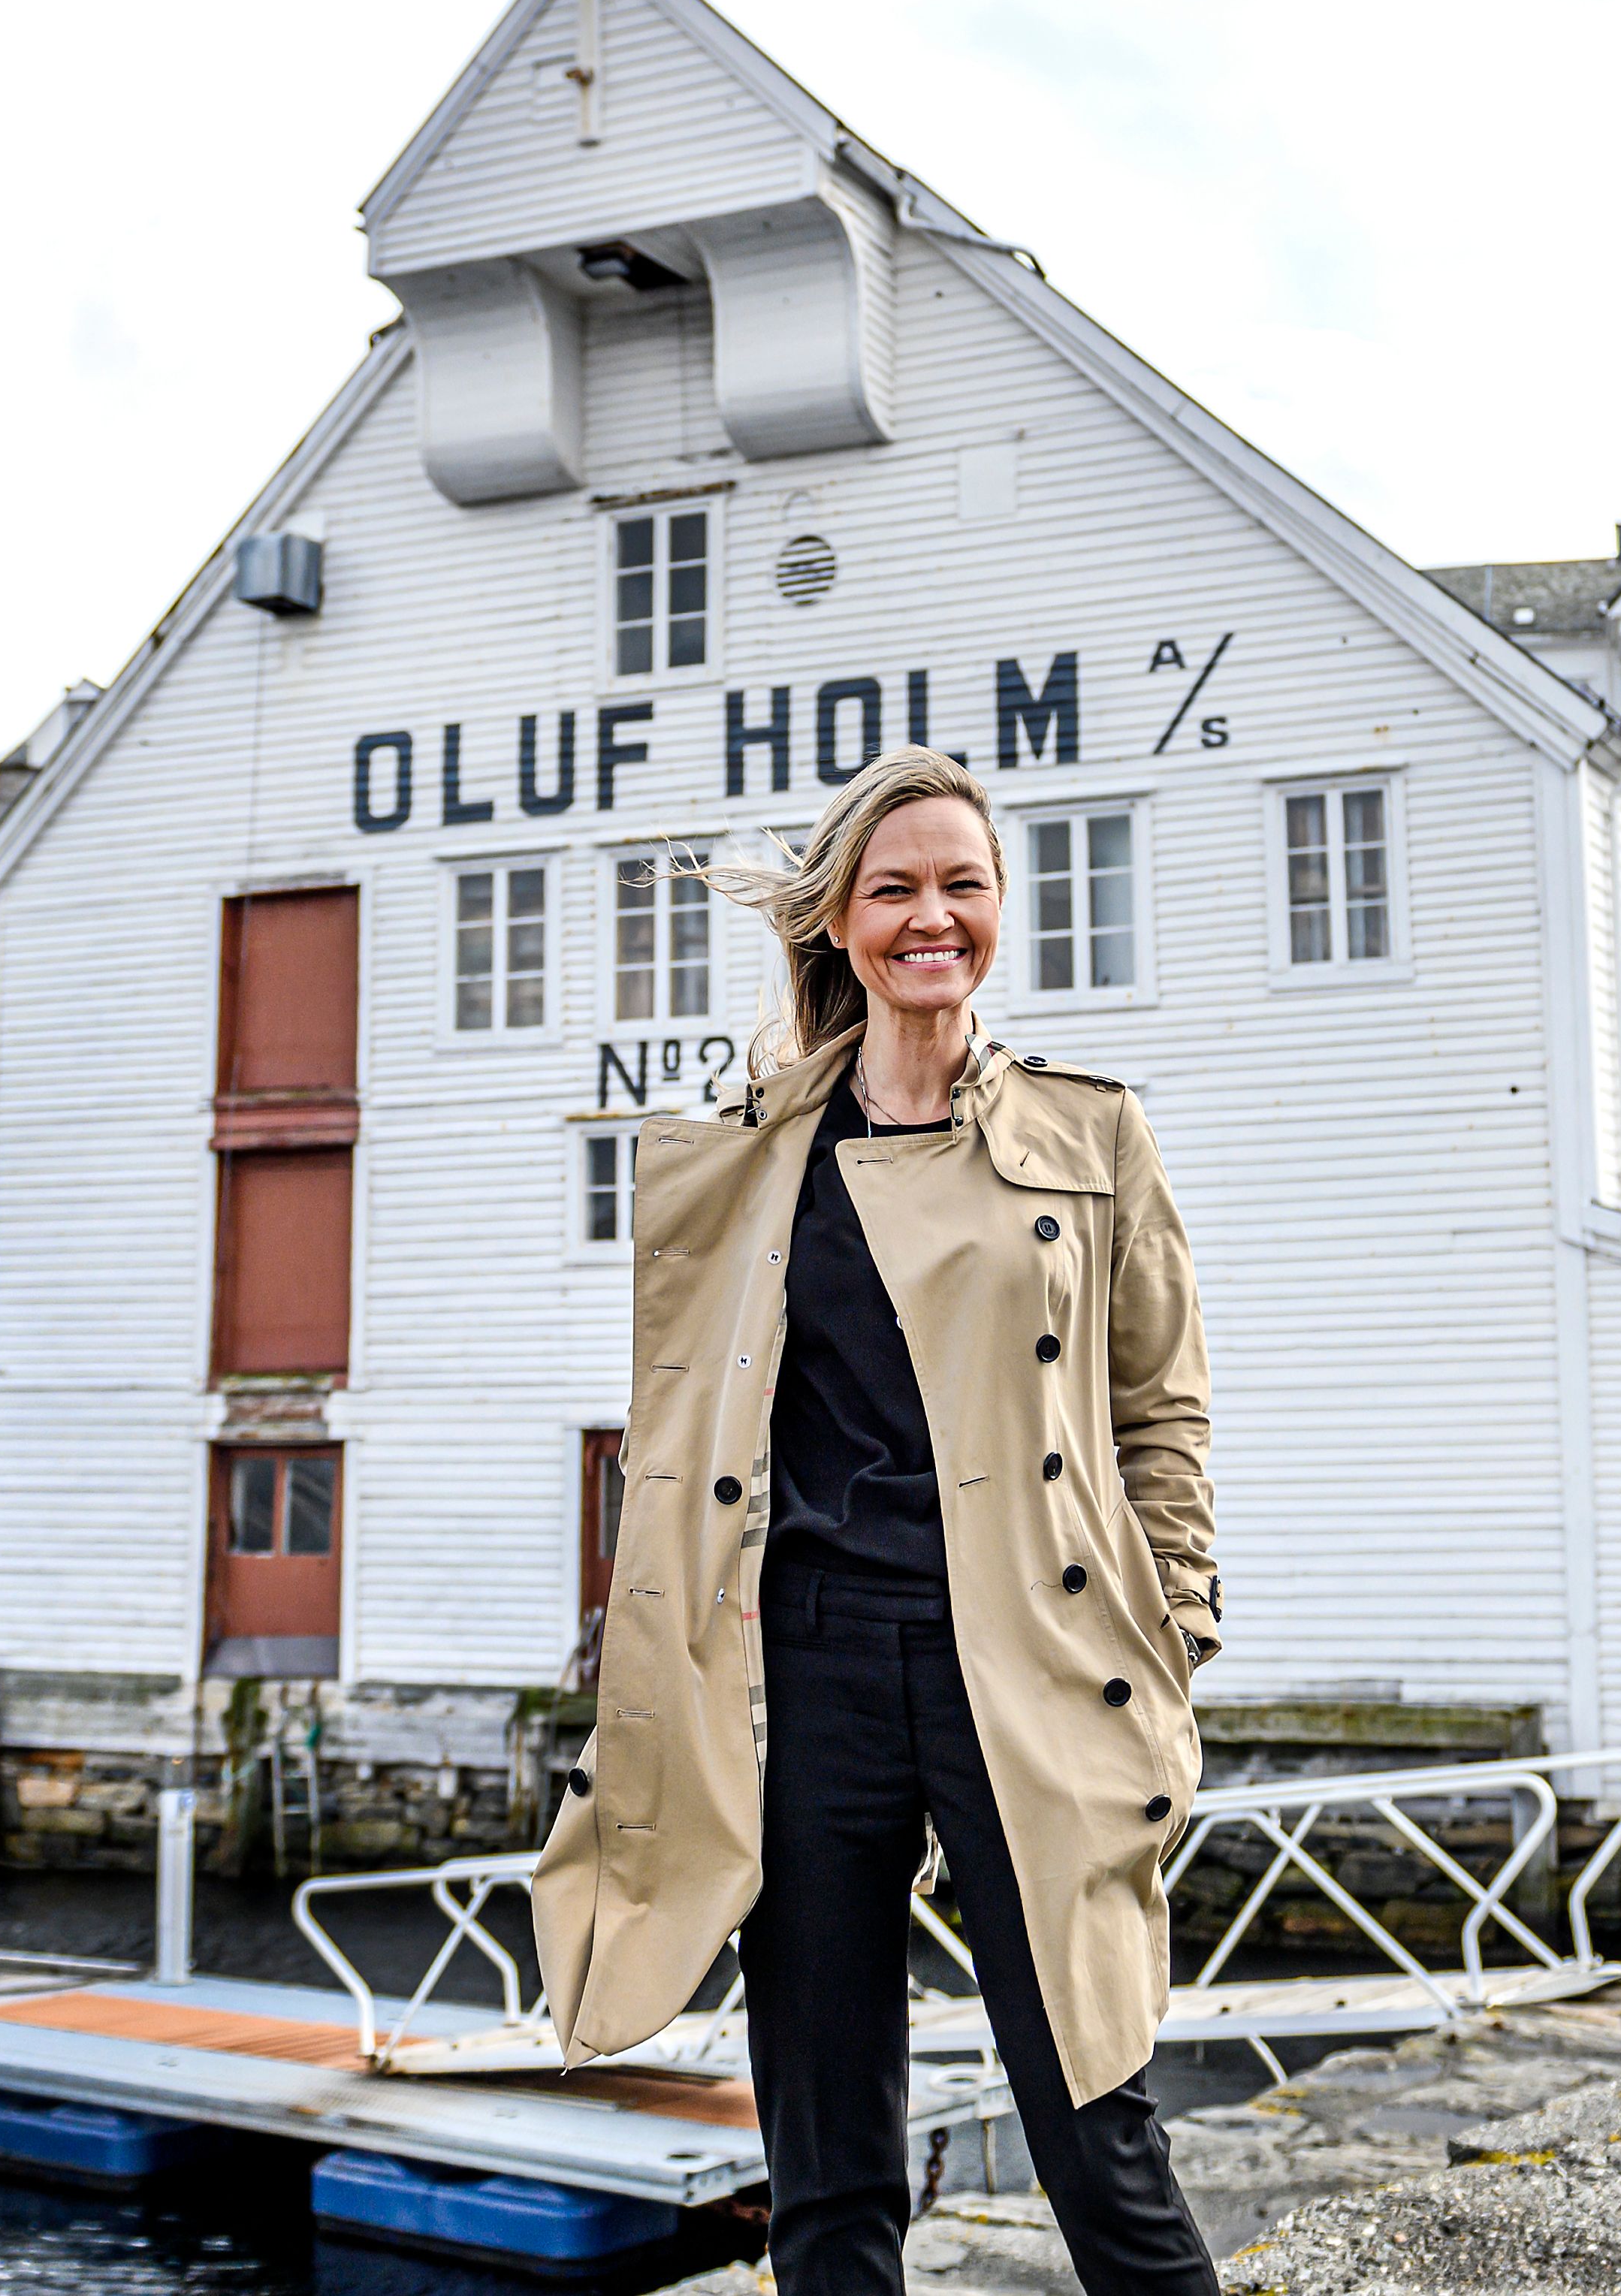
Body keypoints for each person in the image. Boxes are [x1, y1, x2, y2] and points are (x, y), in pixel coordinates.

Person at [532, 747, 1224, 2296]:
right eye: (895, 887)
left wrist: (1175, 1623)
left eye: (963, 885)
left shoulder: (1091, 1134)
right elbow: (691, 1436)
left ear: (1000, 909)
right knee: (829, 2157)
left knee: (1097, 2122)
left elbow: (1159, 1407)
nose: (933, 917)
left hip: (1028, 1654)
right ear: (839, 919)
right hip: (809, 1668)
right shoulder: (754, 1153)